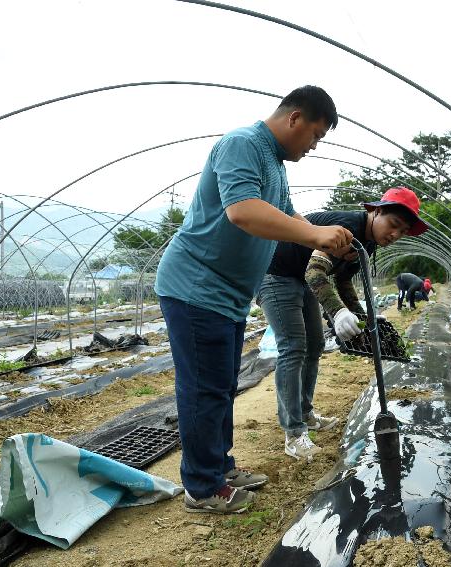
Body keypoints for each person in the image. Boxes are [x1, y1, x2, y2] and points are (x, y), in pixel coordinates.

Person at [154, 86, 354, 514]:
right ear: (295, 118)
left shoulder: (275, 165)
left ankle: (219, 467)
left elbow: (288, 214)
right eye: (315, 135)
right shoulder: (242, 144)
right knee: (204, 388)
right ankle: (202, 487)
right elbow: (243, 212)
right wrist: (316, 234)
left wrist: (324, 234)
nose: (314, 146)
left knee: (223, 385)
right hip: (196, 287)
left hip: (226, 295)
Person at [259, 187, 427, 461]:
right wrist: (337, 312)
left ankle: (306, 413)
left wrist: (362, 317)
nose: (395, 234)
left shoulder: (368, 242)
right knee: (293, 347)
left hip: (301, 279)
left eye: (403, 231)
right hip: (277, 274)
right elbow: (315, 271)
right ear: (376, 210)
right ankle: (294, 433)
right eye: (393, 225)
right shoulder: (348, 228)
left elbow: (344, 279)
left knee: (314, 347)